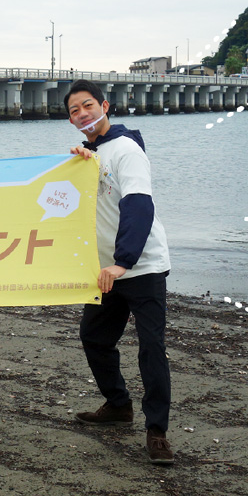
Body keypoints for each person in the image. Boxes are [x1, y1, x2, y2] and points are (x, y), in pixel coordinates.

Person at [64, 79, 173, 465]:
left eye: (87, 106)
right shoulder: (88, 155)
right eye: (74, 111)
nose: (82, 114)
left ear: (105, 106)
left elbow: (138, 206)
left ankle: (156, 431)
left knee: (151, 348)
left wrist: (123, 261)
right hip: (107, 270)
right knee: (94, 338)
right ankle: (118, 405)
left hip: (140, 266)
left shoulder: (126, 150)